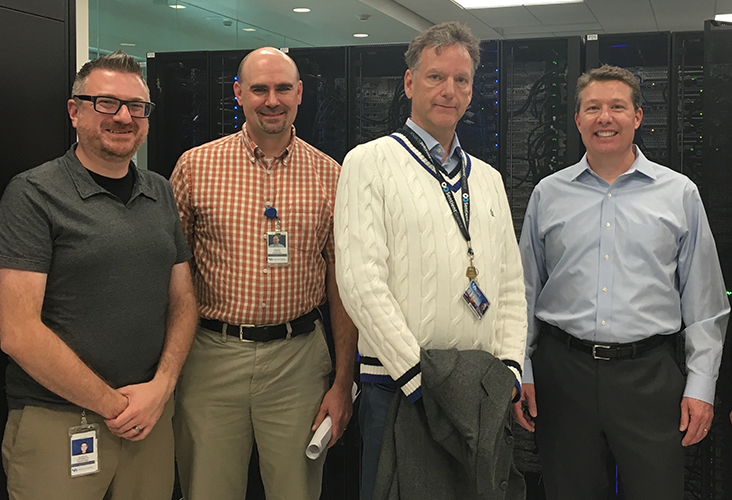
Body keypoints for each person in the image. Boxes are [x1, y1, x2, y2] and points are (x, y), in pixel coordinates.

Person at [0, 50, 197, 500]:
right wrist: (112, 405)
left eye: (136, 106)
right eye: (106, 103)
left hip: (149, 419)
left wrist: (162, 386)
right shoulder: (34, 194)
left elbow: (182, 301)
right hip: (59, 419)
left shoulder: (158, 190)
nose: (124, 116)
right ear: (74, 111)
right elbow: (18, 332)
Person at [514, 64, 730, 500]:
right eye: (592, 108)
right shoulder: (548, 194)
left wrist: (702, 385)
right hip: (563, 374)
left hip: (649, 377)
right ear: (577, 121)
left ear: (637, 117)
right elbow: (523, 293)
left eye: (616, 107)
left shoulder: (679, 193)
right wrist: (524, 370)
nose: (604, 118)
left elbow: (705, 303)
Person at [334, 22, 527, 500]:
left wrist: (508, 370)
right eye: (436, 77)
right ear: (408, 83)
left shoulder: (487, 179)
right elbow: (360, 282)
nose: (450, 90)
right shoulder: (368, 163)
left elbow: (509, 285)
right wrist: (420, 380)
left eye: (461, 80)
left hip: (479, 386)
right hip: (401, 388)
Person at [170, 47, 358, 500]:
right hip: (211, 356)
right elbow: (172, 274)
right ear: (239, 93)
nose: (271, 100)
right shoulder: (195, 167)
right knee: (207, 489)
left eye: (281, 89)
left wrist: (342, 382)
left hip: (299, 362)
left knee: (297, 490)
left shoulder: (332, 175)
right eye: (259, 89)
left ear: (299, 94)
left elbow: (342, 285)